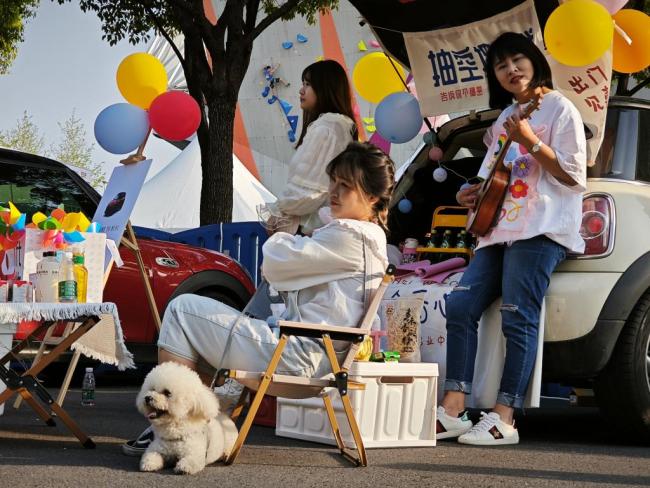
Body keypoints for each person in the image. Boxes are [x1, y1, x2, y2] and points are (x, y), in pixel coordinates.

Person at [122, 142, 395, 456]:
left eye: (345, 186)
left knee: (182, 310)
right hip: (318, 355)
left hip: (298, 356)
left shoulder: (349, 234)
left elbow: (276, 263)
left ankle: (172, 428)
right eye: (333, 181)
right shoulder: (369, 239)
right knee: (201, 320)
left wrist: (284, 233)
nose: (333, 191)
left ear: (372, 197)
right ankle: (194, 422)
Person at [437, 32, 587, 445]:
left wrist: (533, 142)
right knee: (461, 304)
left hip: (541, 229)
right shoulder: (506, 118)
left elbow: (574, 175)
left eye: (517, 60)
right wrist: (467, 193)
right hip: (497, 230)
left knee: (518, 315)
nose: (510, 70)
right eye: (501, 66)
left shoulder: (559, 107)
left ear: (535, 61)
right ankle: (453, 408)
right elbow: (488, 177)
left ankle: (504, 418)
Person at [261, 59, 358, 236]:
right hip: (322, 226)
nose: (301, 90)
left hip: (310, 227)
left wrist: (279, 209)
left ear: (325, 89)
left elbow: (311, 188)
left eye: (308, 84)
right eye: (303, 84)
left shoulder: (328, 127)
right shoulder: (337, 126)